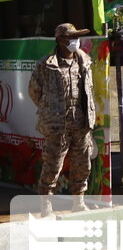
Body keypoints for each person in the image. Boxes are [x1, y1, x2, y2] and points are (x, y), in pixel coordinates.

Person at [28, 23, 97, 216]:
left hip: (81, 123)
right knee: (52, 165)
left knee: (82, 165)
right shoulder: (46, 64)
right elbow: (34, 91)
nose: (75, 41)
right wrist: (51, 110)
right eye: (71, 38)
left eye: (77, 37)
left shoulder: (84, 60)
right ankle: (45, 206)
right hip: (57, 125)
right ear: (60, 40)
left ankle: (79, 203)